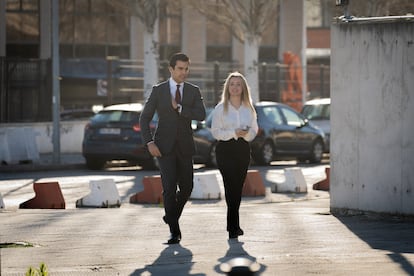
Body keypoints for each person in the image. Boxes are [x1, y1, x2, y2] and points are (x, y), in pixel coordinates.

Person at [139, 53, 206, 244]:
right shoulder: (158, 91)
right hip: (163, 148)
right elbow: (144, 118)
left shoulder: (193, 91)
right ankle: (174, 231)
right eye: (180, 69)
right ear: (171, 69)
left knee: (187, 187)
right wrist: (149, 142)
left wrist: (181, 109)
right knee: (169, 188)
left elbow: (201, 114)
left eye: (186, 69)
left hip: (185, 147)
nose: (183, 72)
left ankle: (171, 215)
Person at [211, 72, 258, 239]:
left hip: (243, 149)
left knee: (237, 188)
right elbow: (215, 132)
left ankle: (233, 225)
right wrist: (233, 132)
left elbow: (254, 129)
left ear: (243, 87)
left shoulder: (249, 108)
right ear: (227, 87)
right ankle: (233, 226)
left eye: (238, 84)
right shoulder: (220, 108)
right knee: (230, 186)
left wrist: (246, 135)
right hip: (225, 149)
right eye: (232, 84)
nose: (235, 87)